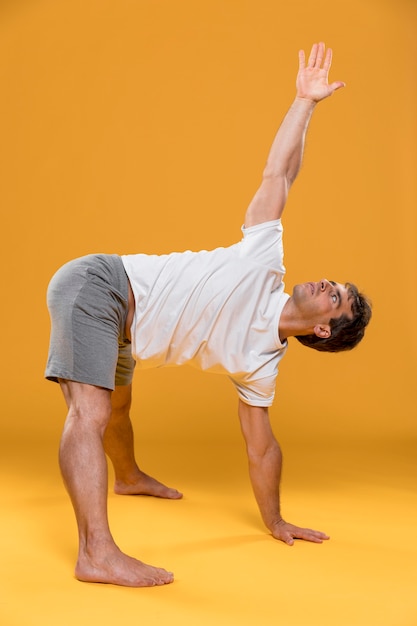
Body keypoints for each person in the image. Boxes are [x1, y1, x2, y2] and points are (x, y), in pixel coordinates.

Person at [45, 42, 372, 588]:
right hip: (99, 286)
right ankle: (96, 553)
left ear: (322, 329)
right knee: (89, 416)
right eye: (334, 283)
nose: (325, 283)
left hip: (123, 335)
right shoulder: (264, 261)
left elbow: (261, 447)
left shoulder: (261, 364)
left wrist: (275, 520)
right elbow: (279, 176)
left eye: (333, 298)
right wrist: (305, 103)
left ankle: (126, 477)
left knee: (116, 407)